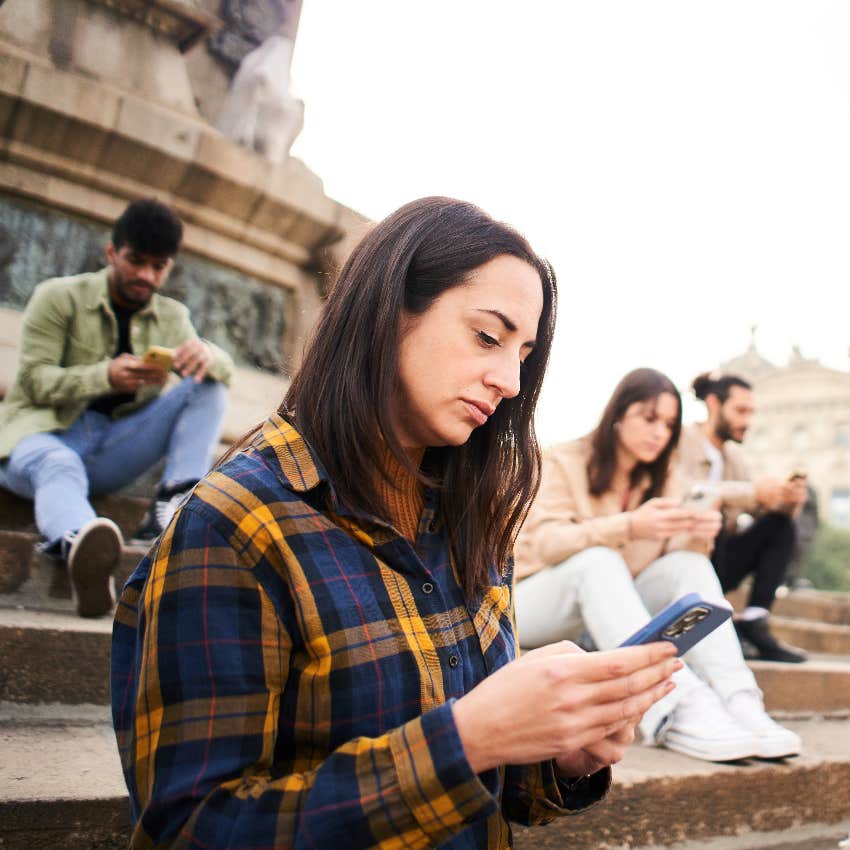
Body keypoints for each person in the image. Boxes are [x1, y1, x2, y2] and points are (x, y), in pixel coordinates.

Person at [111, 198, 682, 850]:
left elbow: (492, 781)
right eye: (488, 337)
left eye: (524, 353)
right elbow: (193, 830)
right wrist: (467, 739)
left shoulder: (474, 519)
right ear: (389, 313)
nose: (510, 381)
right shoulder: (235, 526)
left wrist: (560, 755)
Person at [514, 368, 801, 762]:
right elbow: (547, 544)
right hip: (536, 602)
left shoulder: (662, 475)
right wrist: (629, 525)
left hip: (611, 611)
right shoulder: (565, 458)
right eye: (649, 419)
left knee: (687, 563)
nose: (660, 433)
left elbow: (673, 561)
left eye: (668, 424)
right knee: (597, 561)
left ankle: (739, 699)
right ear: (618, 414)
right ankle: (676, 708)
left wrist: (698, 531)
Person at [0, 198, 233, 617]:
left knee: (208, 386)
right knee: (59, 465)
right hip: (39, 439)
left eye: (158, 266)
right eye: (136, 261)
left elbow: (222, 372)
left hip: (113, 448)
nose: (146, 275)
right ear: (112, 252)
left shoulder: (172, 315)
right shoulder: (57, 297)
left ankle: (174, 505)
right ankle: (79, 546)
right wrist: (103, 376)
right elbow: (33, 381)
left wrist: (207, 355)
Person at [678, 372, 808, 663]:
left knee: (780, 525)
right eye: (740, 411)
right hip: (676, 559)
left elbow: (758, 509)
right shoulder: (679, 440)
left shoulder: (734, 459)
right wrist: (752, 492)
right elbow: (684, 496)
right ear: (713, 403)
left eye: (751, 412)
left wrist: (787, 501)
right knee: (714, 518)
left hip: (720, 563)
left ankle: (754, 620)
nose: (747, 421)